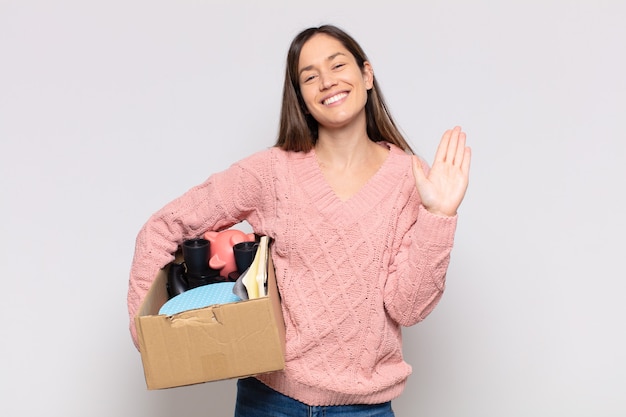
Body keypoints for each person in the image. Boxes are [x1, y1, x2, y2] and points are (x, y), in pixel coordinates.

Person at [127, 24, 471, 416]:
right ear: (302, 98)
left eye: (337, 64)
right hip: (270, 401)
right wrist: (147, 328)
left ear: (366, 74)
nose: (327, 82)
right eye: (310, 77)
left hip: (364, 408)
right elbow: (163, 227)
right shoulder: (271, 172)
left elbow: (407, 308)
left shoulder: (412, 179)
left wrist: (439, 215)